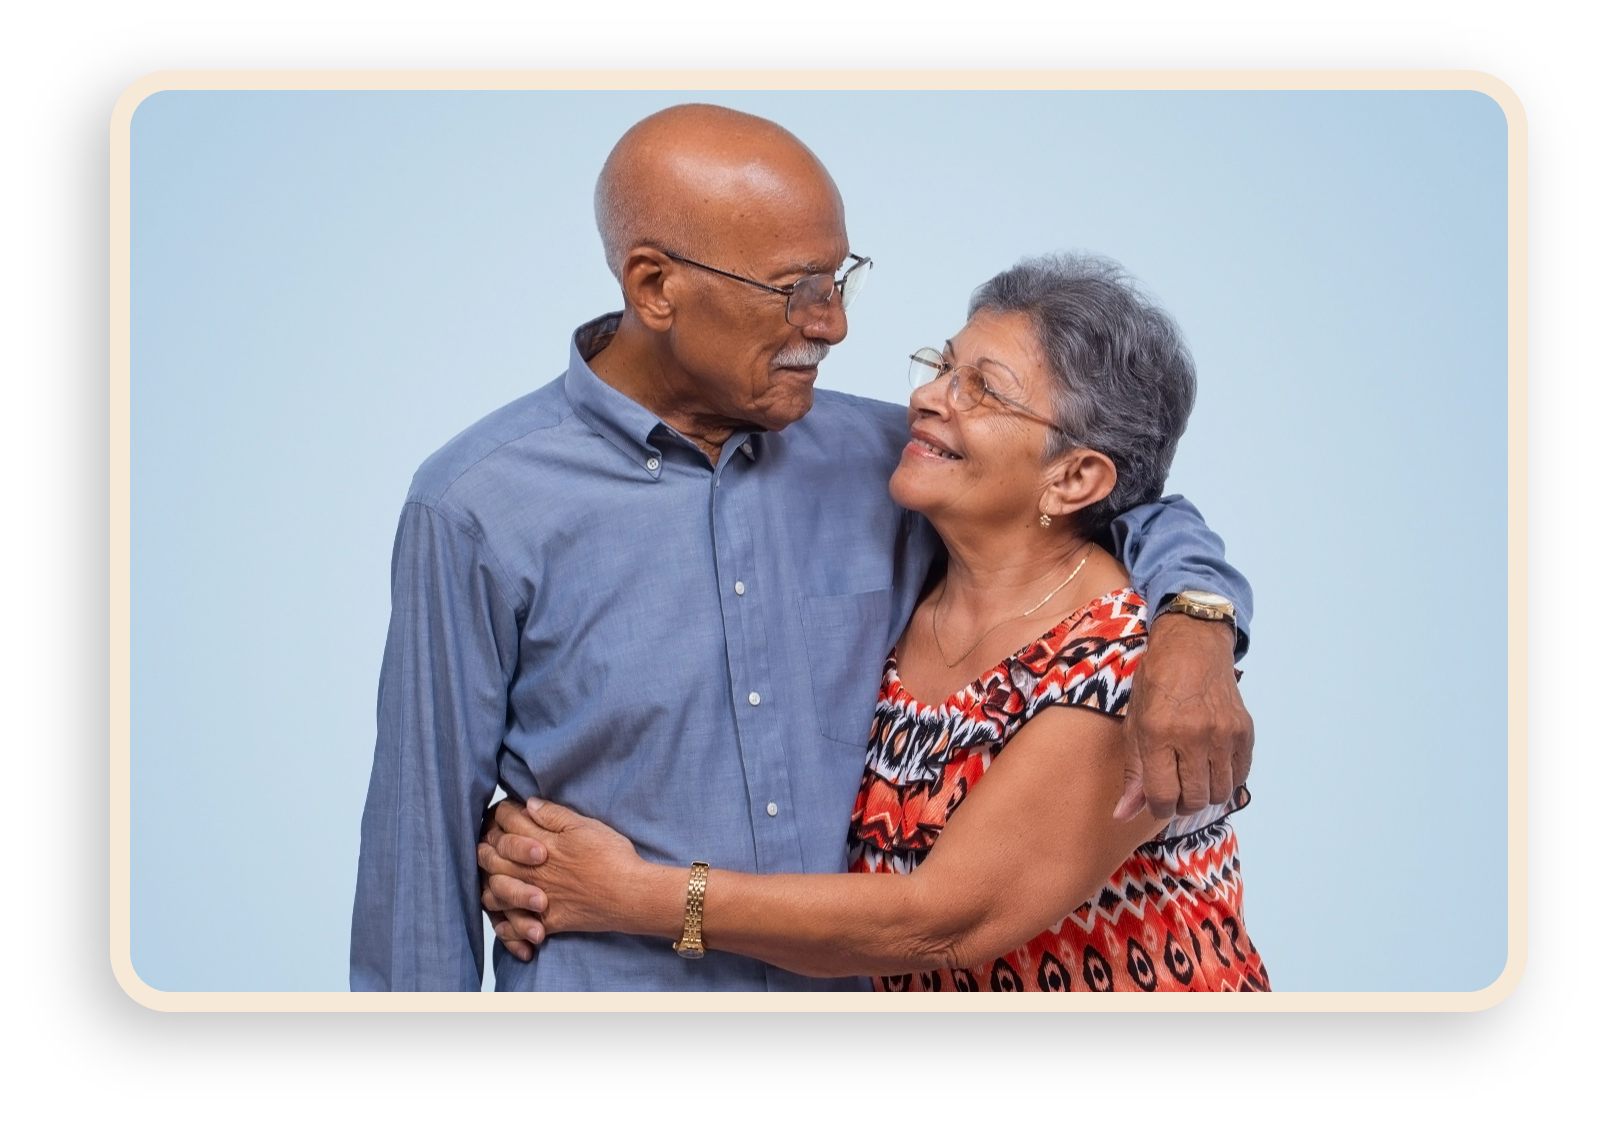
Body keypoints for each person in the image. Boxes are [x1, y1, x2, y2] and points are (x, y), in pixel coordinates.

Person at [352, 103, 1254, 992]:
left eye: (838, 280)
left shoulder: (890, 465)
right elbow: (419, 839)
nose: (833, 325)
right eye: (797, 289)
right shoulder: (477, 506)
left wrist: (1198, 623)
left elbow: (1129, 500)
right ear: (655, 285)